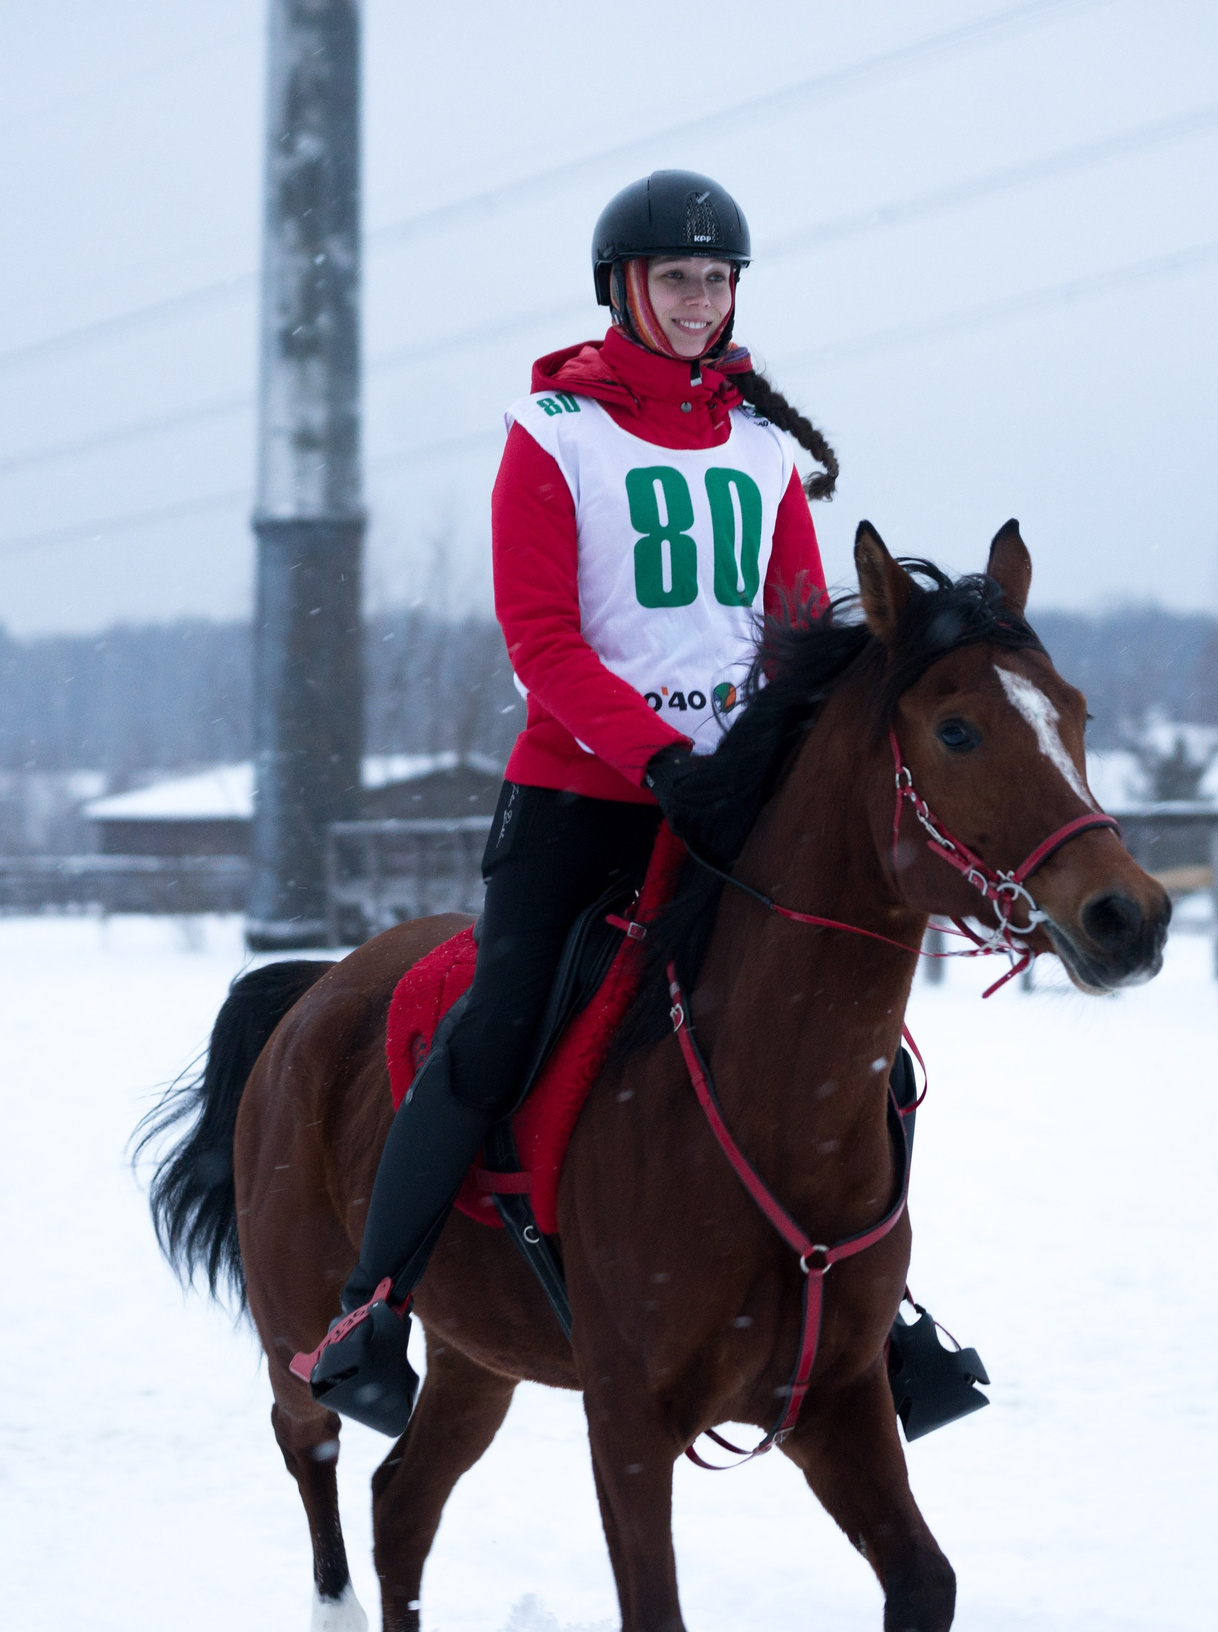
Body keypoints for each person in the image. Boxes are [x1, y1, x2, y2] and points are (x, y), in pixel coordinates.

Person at [305, 169, 844, 1435]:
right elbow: (542, 641)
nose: (701, 303)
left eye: (717, 281)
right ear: (622, 288)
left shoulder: (764, 449)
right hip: (582, 797)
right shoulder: (551, 430)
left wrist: (781, 757)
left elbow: (803, 633)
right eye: (677, 280)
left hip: (732, 808)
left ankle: (876, 1312)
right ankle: (368, 1306)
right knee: (495, 1031)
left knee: (835, 1025)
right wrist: (664, 762)